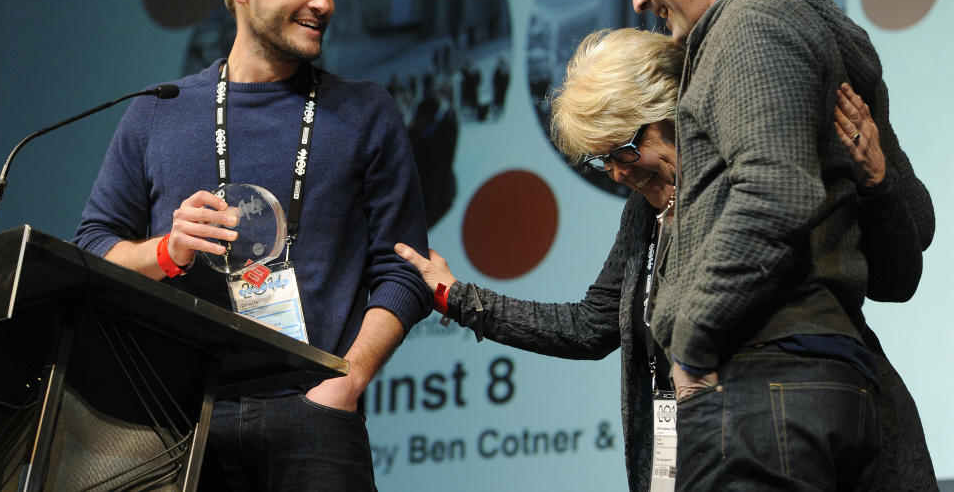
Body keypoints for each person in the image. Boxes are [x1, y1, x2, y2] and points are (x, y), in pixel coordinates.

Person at [396, 28, 935, 491]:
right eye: (600, 160)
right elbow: (590, 326)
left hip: (795, 433)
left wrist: (880, 185)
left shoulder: (751, 177)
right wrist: (456, 296)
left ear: (671, 110)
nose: (618, 172)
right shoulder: (641, 215)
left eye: (624, 150)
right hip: (701, 449)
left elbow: (895, 272)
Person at [74, 0, 432, 490]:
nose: (324, 2)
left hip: (316, 413)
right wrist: (167, 250)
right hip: (180, 419)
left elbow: (405, 271)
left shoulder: (365, 111)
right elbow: (92, 249)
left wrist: (346, 383)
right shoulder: (157, 111)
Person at [602, 0, 935, 489]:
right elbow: (905, 251)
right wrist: (878, 182)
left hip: (762, 383)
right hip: (832, 380)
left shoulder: (751, 25)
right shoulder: (812, 30)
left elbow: (776, 192)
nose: (638, 0)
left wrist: (694, 344)